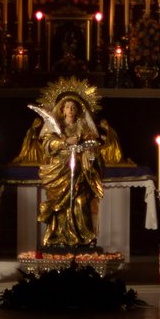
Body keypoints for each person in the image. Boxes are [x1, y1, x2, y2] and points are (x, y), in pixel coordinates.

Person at [36, 94, 104, 251]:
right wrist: (65, 141)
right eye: (67, 107)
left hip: (79, 172)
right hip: (60, 172)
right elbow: (47, 144)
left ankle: (83, 237)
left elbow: (93, 145)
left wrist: (87, 151)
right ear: (62, 109)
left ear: (78, 110)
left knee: (80, 203)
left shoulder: (83, 127)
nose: (70, 110)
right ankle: (57, 236)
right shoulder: (56, 127)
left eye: (73, 107)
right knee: (60, 207)